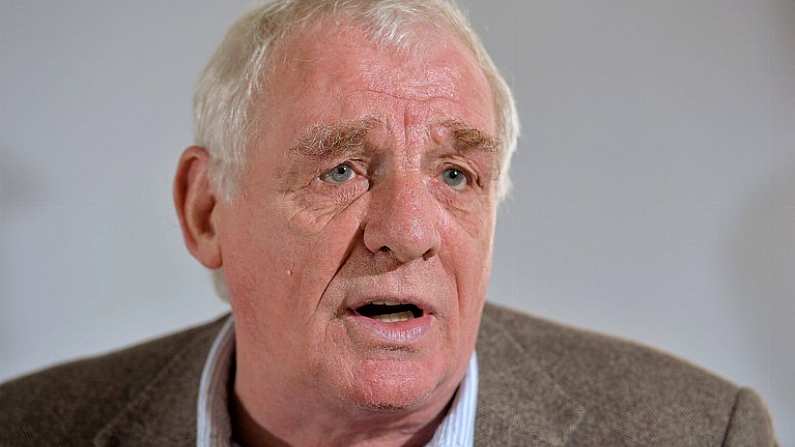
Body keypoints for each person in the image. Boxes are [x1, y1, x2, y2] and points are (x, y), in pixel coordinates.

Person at [0, 0, 778, 446]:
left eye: (455, 174)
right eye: (339, 168)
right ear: (206, 210)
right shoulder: (28, 427)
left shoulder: (701, 433)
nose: (407, 230)